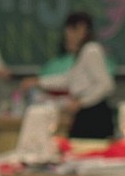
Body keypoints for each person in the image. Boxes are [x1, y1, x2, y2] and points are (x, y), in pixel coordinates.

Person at [21, 11, 115, 139]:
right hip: (84, 110)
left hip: (94, 113)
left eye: (71, 30)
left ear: (82, 28)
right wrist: (38, 82)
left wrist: (81, 102)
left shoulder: (91, 50)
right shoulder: (82, 52)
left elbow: (106, 85)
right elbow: (69, 79)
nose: (68, 35)